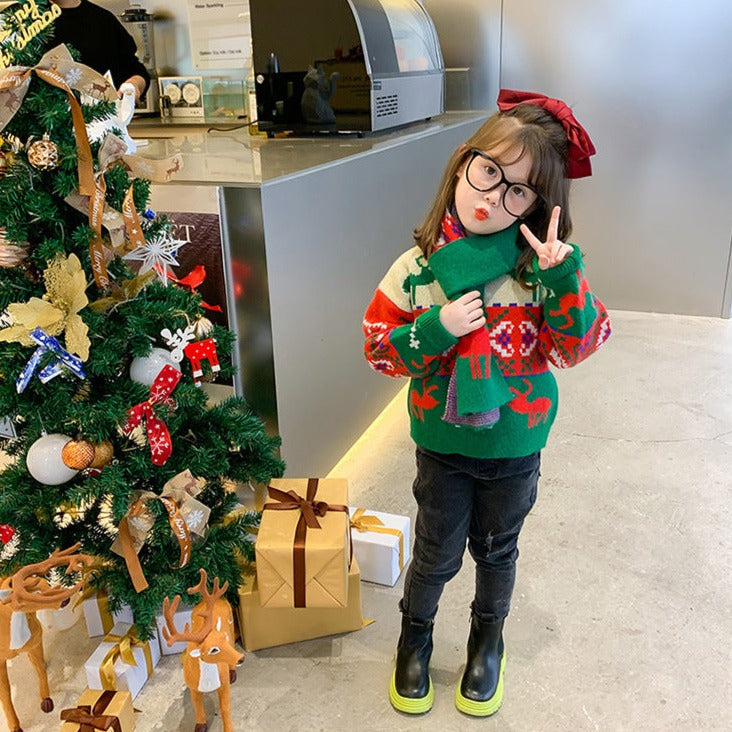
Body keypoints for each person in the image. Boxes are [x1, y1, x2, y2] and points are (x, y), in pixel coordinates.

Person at [363, 89, 611, 717]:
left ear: (539, 204)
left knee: (498, 552)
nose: (492, 197)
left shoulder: (538, 273)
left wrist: (563, 278)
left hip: (514, 448)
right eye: (488, 172)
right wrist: (436, 328)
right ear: (462, 163)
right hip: (442, 446)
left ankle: (486, 640)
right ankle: (414, 638)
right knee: (434, 553)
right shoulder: (417, 268)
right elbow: (379, 350)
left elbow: (576, 347)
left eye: (517, 191)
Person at [50, 0, 149, 101]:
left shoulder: (103, 20)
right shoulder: (39, 22)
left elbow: (133, 69)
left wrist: (133, 84)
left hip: (99, 109)